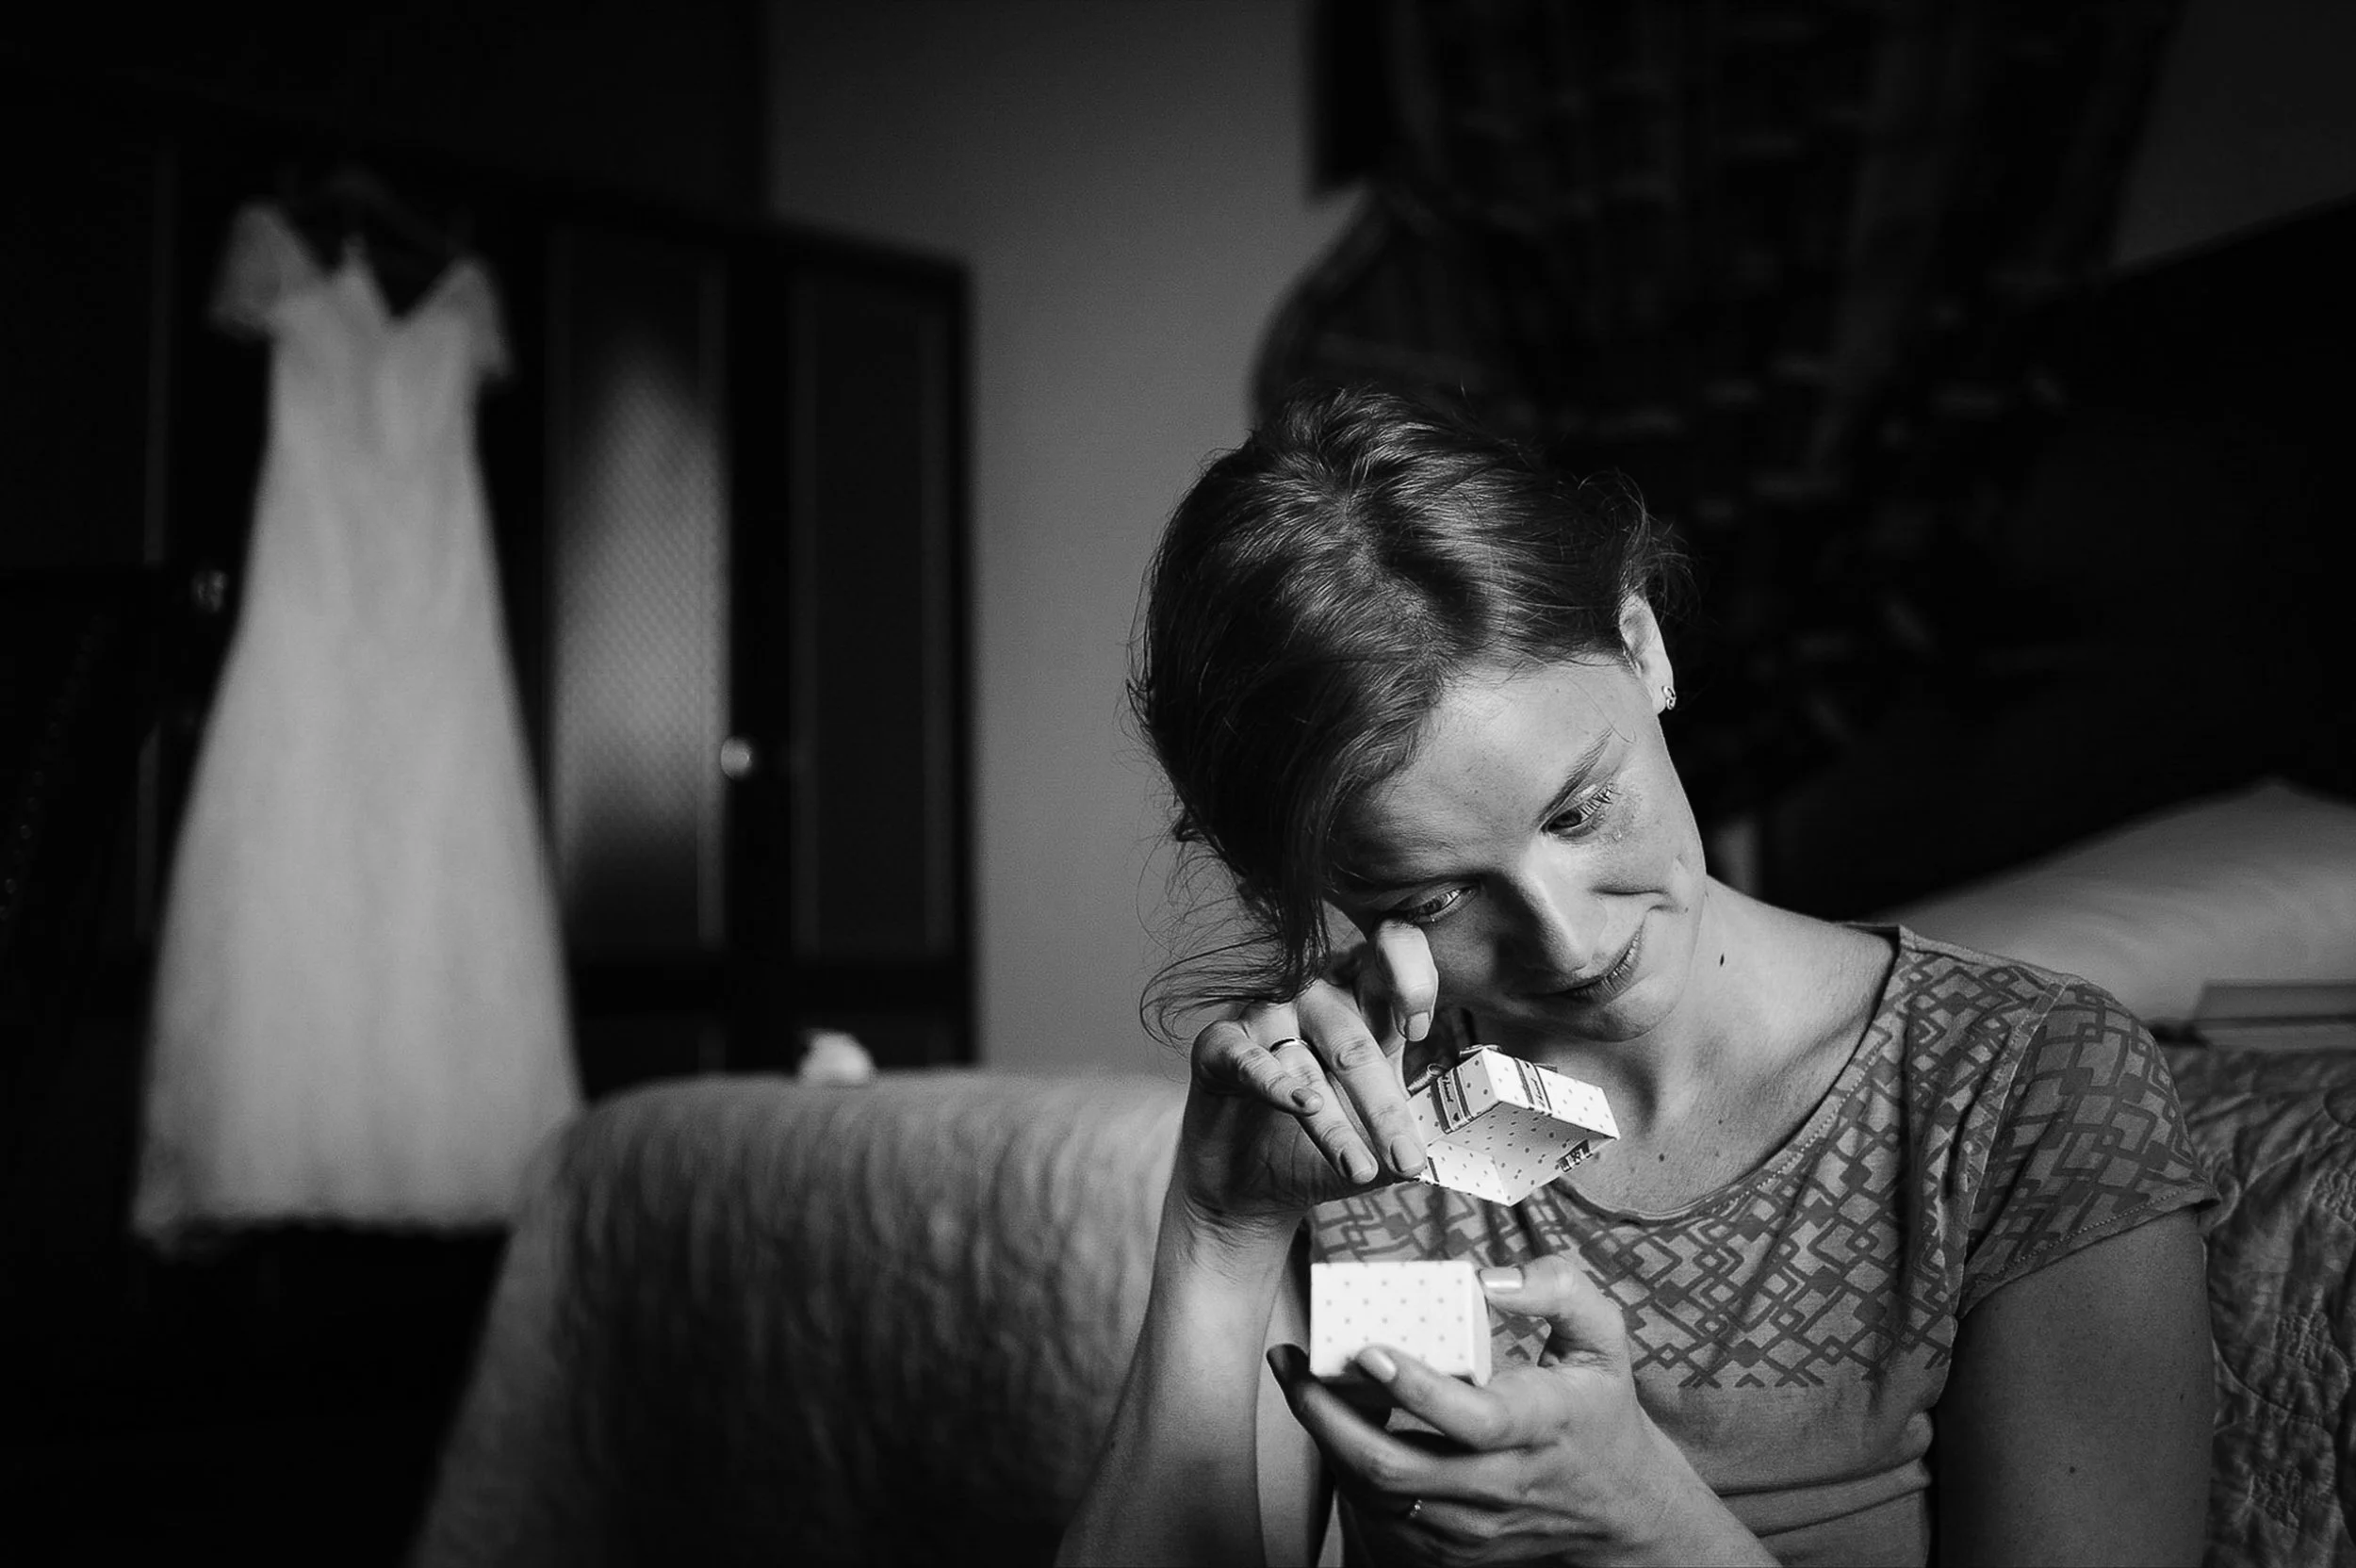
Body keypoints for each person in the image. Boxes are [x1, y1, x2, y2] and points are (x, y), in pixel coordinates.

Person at [1059, 386, 2215, 1566]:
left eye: (1579, 808)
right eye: (1433, 898)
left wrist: (1646, 1524)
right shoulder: (1357, 1119)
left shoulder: (2024, 1085)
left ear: (1643, 647)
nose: (1565, 942)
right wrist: (1219, 1230)